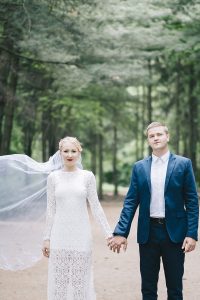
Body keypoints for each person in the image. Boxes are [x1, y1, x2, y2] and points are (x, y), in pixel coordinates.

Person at [108, 122, 199, 300]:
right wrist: (120, 232)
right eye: (151, 136)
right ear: (148, 140)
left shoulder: (183, 164)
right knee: (148, 288)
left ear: (168, 136)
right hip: (148, 233)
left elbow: (192, 202)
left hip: (175, 234)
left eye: (159, 134)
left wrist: (192, 234)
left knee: (175, 288)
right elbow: (130, 202)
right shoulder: (139, 167)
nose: (156, 138)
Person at [42, 136, 113, 300]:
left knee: (80, 283)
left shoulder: (87, 176)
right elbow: (51, 209)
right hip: (59, 237)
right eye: (66, 151)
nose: (69, 154)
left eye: (73, 151)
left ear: (79, 153)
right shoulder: (53, 178)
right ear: (60, 153)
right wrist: (46, 238)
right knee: (59, 284)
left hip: (81, 236)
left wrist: (108, 233)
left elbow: (96, 207)